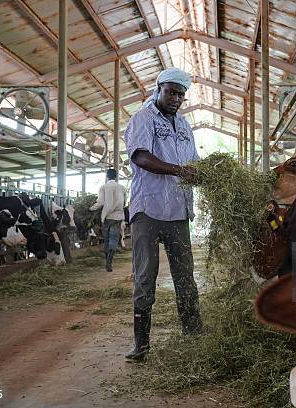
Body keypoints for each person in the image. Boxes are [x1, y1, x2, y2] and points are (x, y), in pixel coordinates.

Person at [123, 67, 203, 361]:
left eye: (181, 94)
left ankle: (193, 333)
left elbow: (195, 162)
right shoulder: (143, 118)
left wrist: (209, 174)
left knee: (186, 276)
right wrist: (179, 171)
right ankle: (141, 345)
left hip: (179, 211)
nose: (176, 98)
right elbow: (141, 156)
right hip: (149, 209)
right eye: (171, 92)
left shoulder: (184, 126)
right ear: (158, 89)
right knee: (146, 276)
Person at [90, 168, 126, 272]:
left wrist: (91, 208)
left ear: (107, 176)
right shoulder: (122, 188)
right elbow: (124, 201)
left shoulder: (103, 187)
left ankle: (107, 261)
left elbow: (100, 202)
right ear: (115, 176)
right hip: (118, 217)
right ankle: (109, 262)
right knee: (114, 239)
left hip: (107, 217)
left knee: (107, 240)